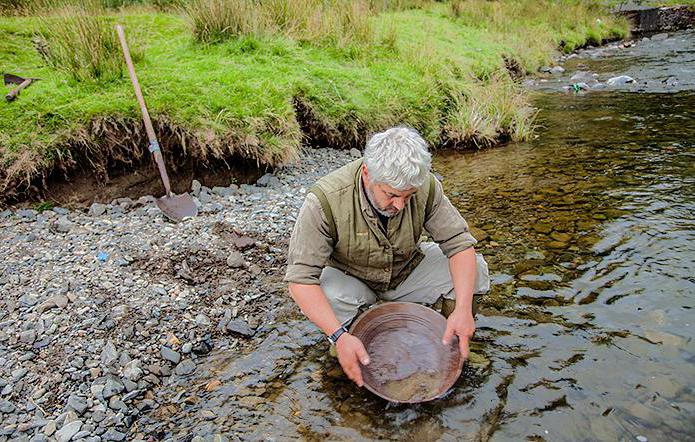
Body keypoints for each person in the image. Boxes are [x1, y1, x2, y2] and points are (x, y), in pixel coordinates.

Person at [284, 126, 489, 387]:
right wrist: (338, 336)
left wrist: (462, 309)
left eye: (408, 196)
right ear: (368, 174)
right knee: (327, 291)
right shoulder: (325, 201)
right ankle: (346, 345)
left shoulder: (425, 185)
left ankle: (450, 347)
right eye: (391, 194)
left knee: (477, 271)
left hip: (406, 271)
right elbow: (301, 280)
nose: (400, 205)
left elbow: (459, 245)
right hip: (354, 280)